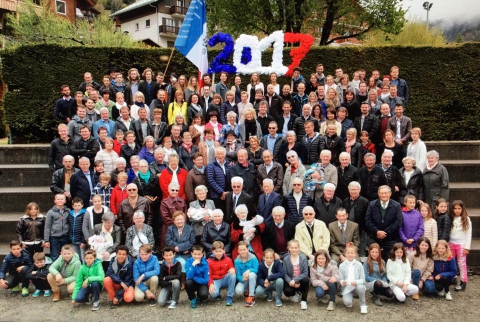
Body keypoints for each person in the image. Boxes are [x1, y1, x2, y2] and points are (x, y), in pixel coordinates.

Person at [365, 185, 404, 262]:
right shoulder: (372, 204)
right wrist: (377, 231)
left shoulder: (396, 205)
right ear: (378, 194)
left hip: (390, 238)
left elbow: (399, 222)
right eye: (381, 193)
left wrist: (386, 232)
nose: (384, 195)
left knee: (391, 260)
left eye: (386, 193)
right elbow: (367, 220)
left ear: (390, 194)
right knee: (373, 260)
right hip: (374, 237)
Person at [165, 211, 195, 286]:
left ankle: (183, 281)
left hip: (186, 253)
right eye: (177, 220)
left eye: (181, 219)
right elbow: (168, 240)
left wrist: (180, 247)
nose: (179, 221)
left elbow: (192, 241)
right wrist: (177, 248)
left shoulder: (190, 228)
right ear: (174, 221)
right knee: (170, 262)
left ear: (184, 219)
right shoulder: (170, 229)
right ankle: (173, 281)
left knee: (183, 263)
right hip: (174, 252)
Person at [338, 244, 368, 314]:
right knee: (348, 303)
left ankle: (363, 305)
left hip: (356, 285)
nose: (350, 255)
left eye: (352, 253)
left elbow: (362, 279)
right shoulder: (341, 266)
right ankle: (350, 297)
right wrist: (343, 282)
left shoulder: (359, 264)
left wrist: (356, 282)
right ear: (345, 254)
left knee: (360, 287)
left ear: (355, 254)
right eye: (348, 253)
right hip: (347, 287)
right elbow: (341, 279)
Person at [449, 200, 472, 291]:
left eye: (459, 208)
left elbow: (468, 234)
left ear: (462, 209)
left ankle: (463, 282)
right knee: (451, 261)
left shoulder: (466, 219)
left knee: (461, 263)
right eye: (455, 209)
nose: (457, 210)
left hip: (461, 244)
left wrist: (467, 247)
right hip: (451, 243)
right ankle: (453, 278)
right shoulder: (451, 218)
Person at [282, 239, 309, 310]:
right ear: (288, 248)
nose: (294, 250)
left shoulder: (303, 258)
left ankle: (303, 300)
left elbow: (305, 273)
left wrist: (295, 280)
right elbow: (285, 273)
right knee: (287, 292)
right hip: (291, 281)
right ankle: (294, 294)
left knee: (306, 280)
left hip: (301, 280)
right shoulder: (286, 259)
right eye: (292, 248)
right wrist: (290, 281)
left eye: (296, 248)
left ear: (299, 248)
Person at [207, 241, 236, 305]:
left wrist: (233, 269)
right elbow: (209, 275)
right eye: (216, 251)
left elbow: (232, 267)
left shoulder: (228, 259)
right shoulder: (209, 261)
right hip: (215, 280)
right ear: (212, 251)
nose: (218, 253)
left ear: (224, 251)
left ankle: (230, 296)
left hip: (224, 279)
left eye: (220, 251)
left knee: (233, 275)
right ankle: (218, 294)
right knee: (213, 294)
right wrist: (210, 284)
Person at [44, 194, 70, 262]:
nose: (60, 200)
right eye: (58, 199)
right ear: (55, 201)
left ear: (65, 201)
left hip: (65, 236)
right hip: (54, 237)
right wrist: (46, 240)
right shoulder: (51, 212)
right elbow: (47, 226)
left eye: (62, 199)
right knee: (55, 256)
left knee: (66, 255)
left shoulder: (68, 211)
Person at [160, 183, 187, 248]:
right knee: (169, 248)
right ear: (169, 190)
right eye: (172, 190)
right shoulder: (164, 202)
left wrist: (182, 224)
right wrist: (178, 223)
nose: (175, 192)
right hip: (169, 228)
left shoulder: (182, 201)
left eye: (176, 190)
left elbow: (185, 214)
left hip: (182, 228)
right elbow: (165, 218)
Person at [205, 147, 231, 214]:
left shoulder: (228, 165)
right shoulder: (210, 166)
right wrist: (221, 192)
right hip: (215, 196)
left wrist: (228, 192)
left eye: (222, 154)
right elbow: (210, 181)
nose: (220, 156)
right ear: (215, 155)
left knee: (226, 214)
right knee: (217, 215)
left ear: (224, 155)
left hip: (227, 195)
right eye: (218, 154)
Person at [234, 241, 260, 307]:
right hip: (244, 280)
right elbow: (238, 275)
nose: (242, 251)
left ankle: (251, 296)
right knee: (238, 290)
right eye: (240, 250)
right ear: (238, 251)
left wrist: (249, 270)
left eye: (244, 249)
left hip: (253, 279)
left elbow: (257, 270)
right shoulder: (237, 261)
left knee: (251, 274)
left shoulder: (253, 258)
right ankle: (246, 292)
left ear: (248, 249)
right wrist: (242, 279)